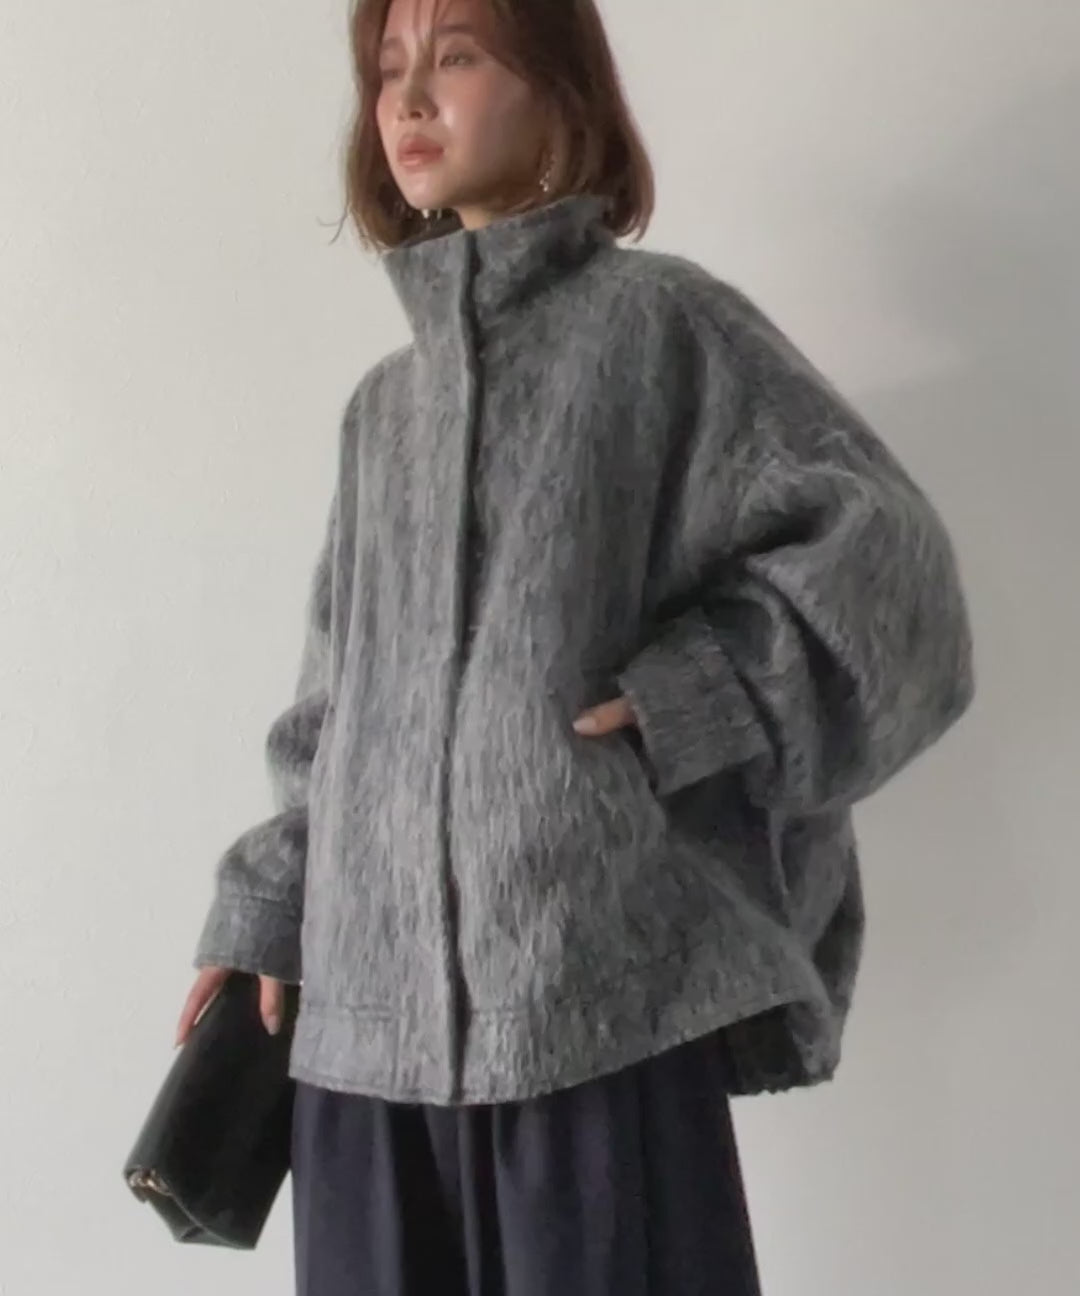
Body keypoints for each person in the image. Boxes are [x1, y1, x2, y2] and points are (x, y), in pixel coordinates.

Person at [175, 0, 976, 1292]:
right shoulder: (383, 412)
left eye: (458, 56)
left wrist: (706, 695)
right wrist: (268, 907)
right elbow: (332, 710)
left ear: (561, 90)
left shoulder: (664, 330)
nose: (408, 99)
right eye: (388, 68)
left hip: (590, 1023)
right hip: (363, 1054)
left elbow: (894, 571)